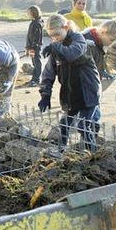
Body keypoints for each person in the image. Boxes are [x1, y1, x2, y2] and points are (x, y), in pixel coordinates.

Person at [38, 14, 101, 151]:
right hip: (70, 92)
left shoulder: (78, 39)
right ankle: (61, 150)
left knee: (83, 126)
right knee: (65, 123)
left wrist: (55, 46)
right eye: (51, 36)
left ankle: (93, 154)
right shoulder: (57, 47)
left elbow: (73, 54)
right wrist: (45, 94)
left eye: (57, 34)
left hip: (88, 90)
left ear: (66, 27)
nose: (54, 39)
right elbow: (48, 73)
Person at [25, 5, 44, 87]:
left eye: (29, 13)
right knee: (34, 62)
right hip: (32, 47)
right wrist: (27, 47)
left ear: (33, 13)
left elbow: (36, 38)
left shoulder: (37, 24)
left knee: (37, 63)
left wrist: (32, 47)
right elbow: (30, 36)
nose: (27, 14)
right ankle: (34, 78)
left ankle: (36, 80)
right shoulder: (33, 22)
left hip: (35, 47)